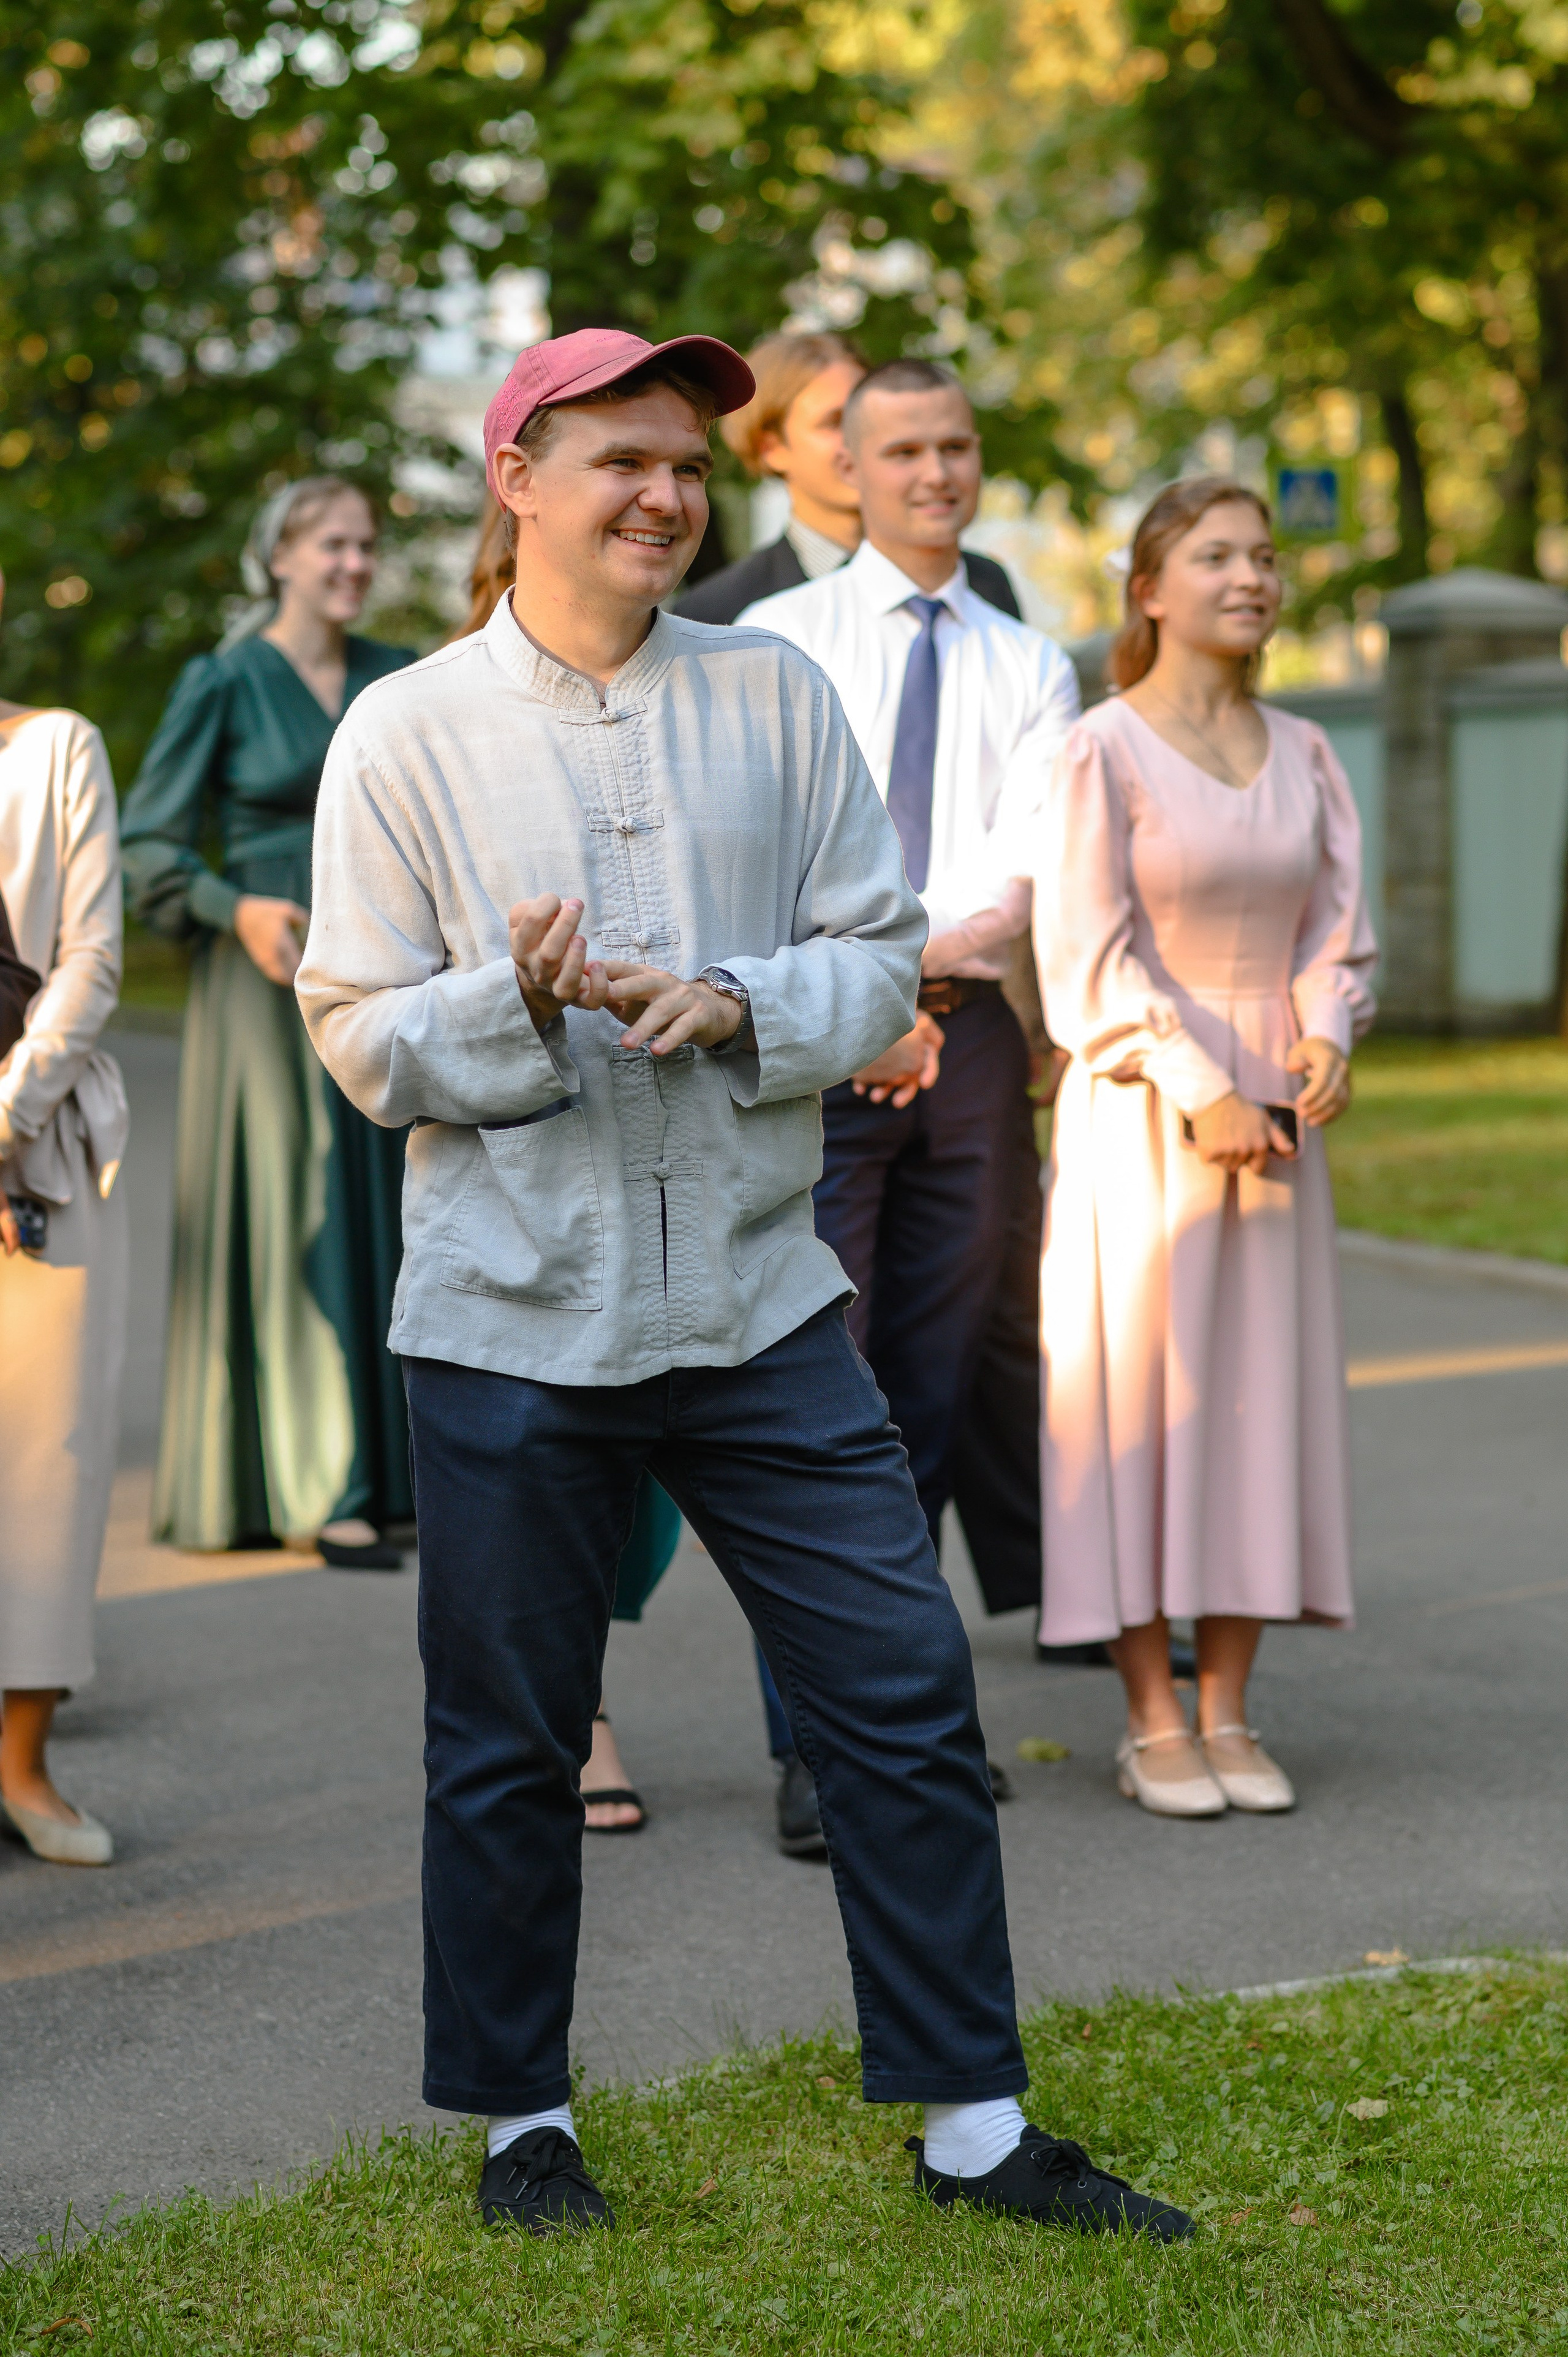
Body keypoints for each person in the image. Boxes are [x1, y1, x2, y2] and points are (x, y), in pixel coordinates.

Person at [296, 325, 1192, 2244]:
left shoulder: (776, 696)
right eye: (620, 458)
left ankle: (974, 2129)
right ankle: (521, 2120)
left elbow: (881, 960)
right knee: (510, 1743)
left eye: (689, 464)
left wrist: (747, 1003)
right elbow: (358, 1037)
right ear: (517, 479)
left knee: (899, 1688)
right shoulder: (408, 730)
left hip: (765, 1309)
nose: (664, 494)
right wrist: (508, 1002)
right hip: (513, 1319)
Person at [680, 336, 1054, 1854]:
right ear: (845, 460)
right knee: (817, 1401)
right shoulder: (779, 638)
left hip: (960, 1044)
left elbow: (1027, 856)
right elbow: (757, 850)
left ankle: (911, 1726)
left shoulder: (1027, 653)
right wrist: (862, 994)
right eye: (898, 450)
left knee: (934, 1385)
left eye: (953, 447)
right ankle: (811, 1750)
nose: (931, 474)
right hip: (815, 1034)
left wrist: (913, 981)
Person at [1035, 478, 1377, 1818]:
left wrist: (1327, 1033)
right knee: (1138, 1401)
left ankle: (1231, 1708)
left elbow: (1329, 934)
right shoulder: (1098, 751)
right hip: (1139, 1115)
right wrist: (1194, 1081)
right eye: (1216, 555)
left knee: (1256, 1401)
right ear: (1147, 589)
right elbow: (1082, 952)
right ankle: (1147, 1712)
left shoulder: (1305, 751)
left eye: (1263, 556)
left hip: (1279, 1129)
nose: (1249, 577)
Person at [119, 479, 415, 1565]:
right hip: (264, 982)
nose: (352, 563)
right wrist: (229, 907)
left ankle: (399, 1471)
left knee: (389, 1206)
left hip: (385, 968)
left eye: (366, 546)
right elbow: (147, 845)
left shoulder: (397, 676)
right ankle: (316, 1481)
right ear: (279, 556)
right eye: (331, 543)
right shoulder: (226, 678)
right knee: (299, 1210)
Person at [450, 494, 680, 1835]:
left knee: (643, 1474)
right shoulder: (435, 718)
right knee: (543, 1464)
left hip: (681, 1170)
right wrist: (517, 999)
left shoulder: (711, 696)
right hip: (514, 1174)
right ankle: (575, 1711)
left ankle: (586, 1674)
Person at [0, 563, 130, 1867]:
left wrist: (8, 1114)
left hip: (39, 1144)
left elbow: (92, 953)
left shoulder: (53, 752)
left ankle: (26, 1767)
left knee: (48, 1457)